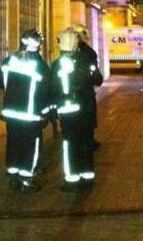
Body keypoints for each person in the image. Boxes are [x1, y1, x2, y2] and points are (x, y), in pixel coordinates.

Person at [0, 29, 50, 192]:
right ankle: (27, 179)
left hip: (11, 112)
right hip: (31, 114)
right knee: (31, 146)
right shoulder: (39, 64)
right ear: (38, 44)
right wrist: (46, 112)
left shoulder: (10, 60)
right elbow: (46, 90)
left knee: (14, 144)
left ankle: (13, 176)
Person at [50, 27, 103, 191]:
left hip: (68, 112)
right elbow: (98, 80)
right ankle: (87, 178)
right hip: (86, 109)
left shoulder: (57, 64)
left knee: (70, 145)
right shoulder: (86, 61)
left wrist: (52, 110)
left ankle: (72, 179)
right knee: (86, 143)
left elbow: (53, 90)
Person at [72, 23, 102, 149]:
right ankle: (89, 141)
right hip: (86, 92)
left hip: (71, 93)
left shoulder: (68, 53)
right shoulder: (89, 53)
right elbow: (96, 77)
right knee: (89, 117)